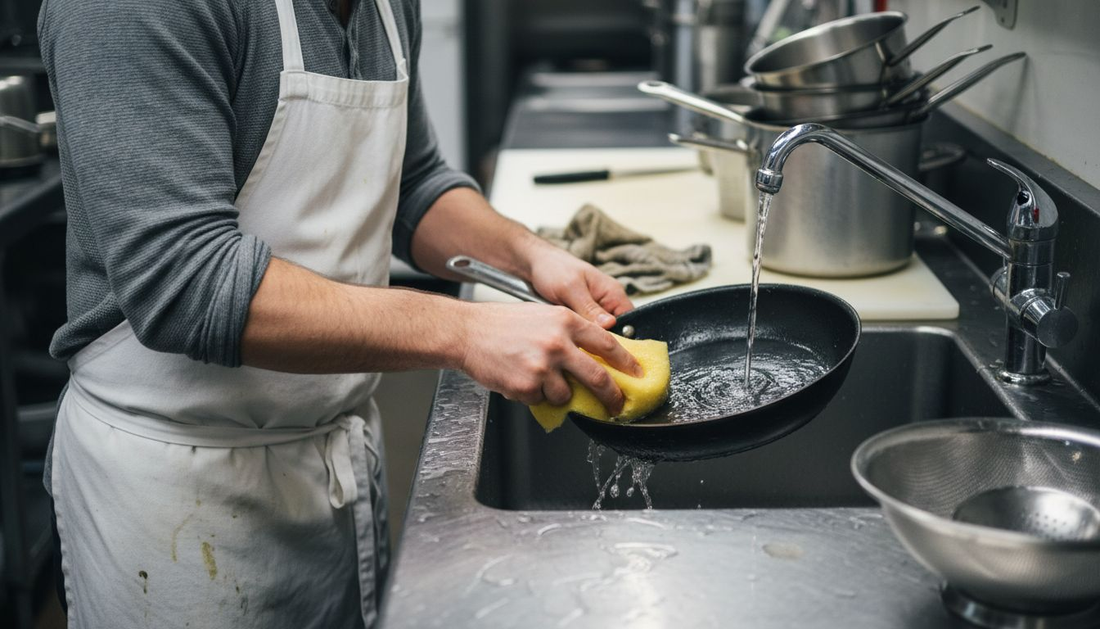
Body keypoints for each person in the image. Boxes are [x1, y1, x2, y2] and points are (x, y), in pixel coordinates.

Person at [39, 0, 641, 626]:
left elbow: (412, 184)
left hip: (335, 460)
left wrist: (530, 255)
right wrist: (464, 330)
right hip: (176, 497)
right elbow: (187, 283)